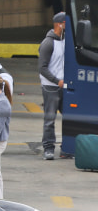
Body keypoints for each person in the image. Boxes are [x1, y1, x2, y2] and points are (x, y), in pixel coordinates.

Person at [39, 12, 66, 160]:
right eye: (66, 24)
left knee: (69, 117)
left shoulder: (65, 40)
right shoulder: (48, 43)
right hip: (51, 86)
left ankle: (66, 147)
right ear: (59, 24)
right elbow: (42, 68)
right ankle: (48, 148)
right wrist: (57, 81)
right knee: (50, 119)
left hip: (64, 85)